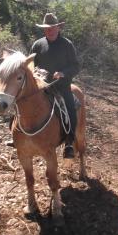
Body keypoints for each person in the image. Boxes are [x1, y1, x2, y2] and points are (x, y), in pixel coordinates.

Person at [31, 13, 80, 159]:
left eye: (52, 27)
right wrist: (37, 71)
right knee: (21, 101)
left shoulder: (67, 44)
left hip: (61, 86)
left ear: (58, 28)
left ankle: (69, 143)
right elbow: (30, 65)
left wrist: (63, 73)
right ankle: (18, 135)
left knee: (70, 108)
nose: (49, 30)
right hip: (40, 86)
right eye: (46, 28)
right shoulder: (37, 45)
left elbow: (76, 66)